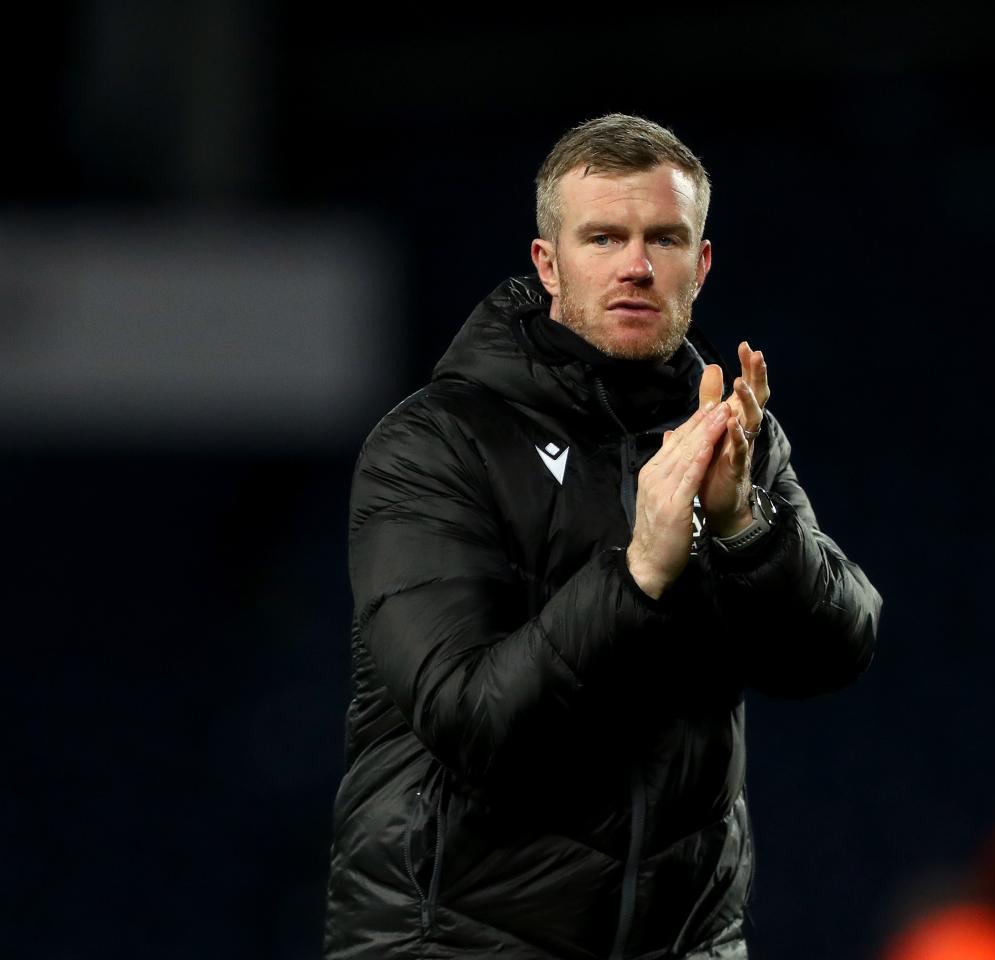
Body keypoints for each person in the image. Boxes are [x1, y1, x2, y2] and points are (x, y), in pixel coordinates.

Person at [324, 113, 883, 960]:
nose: (634, 265)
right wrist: (637, 574)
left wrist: (743, 529)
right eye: (603, 237)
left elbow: (834, 652)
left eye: (663, 239)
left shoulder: (730, 430)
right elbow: (471, 717)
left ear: (699, 266)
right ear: (548, 263)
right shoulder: (435, 444)